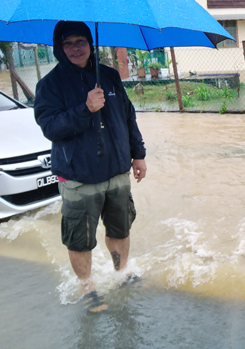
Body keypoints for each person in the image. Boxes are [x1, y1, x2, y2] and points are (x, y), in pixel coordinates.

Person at [34, 21, 147, 313]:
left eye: (80, 41)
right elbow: (51, 128)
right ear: (60, 47)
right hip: (78, 176)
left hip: (117, 170)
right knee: (80, 238)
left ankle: (121, 273)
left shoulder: (109, 76)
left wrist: (138, 154)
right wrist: (85, 109)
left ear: (90, 43)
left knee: (120, 229)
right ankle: (88, 288)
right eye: (68, 42)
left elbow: (128, 116)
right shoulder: (50, 85)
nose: (75, 48)